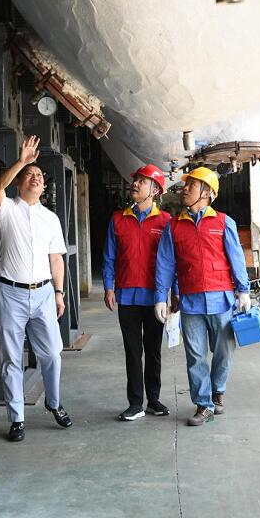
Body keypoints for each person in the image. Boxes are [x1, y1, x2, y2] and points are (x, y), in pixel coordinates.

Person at [0, 135, 73, 442]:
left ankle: (54, 402)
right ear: (19, 182)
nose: (36, 177)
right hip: (10, 293)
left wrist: (59, 293)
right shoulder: (7, 209)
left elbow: (56, 259)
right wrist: (22, 161)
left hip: (43, 294)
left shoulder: (50, 218)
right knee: (11, 359)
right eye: (29, 174)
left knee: (52, 353)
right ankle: (17, 419)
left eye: (39, 175)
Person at [154, 167, 251, 426]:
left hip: (221, 299)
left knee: (224, 351)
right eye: (187, 185)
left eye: (192, 185)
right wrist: (161, 296)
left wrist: (243, 291)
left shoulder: (223, 222)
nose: (185, 189)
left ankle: (217, 391)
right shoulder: (174, 227)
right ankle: (203, 404)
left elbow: (236, 258)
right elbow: (165, 263)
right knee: (195, 356)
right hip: (191, 301)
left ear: (207, 193)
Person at [102, 164, 172, 421]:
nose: (135, 184)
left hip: (155, 298)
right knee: (133, 351)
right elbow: (109, 256)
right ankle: (135, 403)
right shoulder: (118, 219)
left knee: (153, 350)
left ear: (154, 190)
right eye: (136, 180)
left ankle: (153, 399)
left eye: (142, 181)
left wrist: (174, 293)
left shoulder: (165, 222)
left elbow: (171, 261)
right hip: (127, 295)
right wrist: (109, 286)